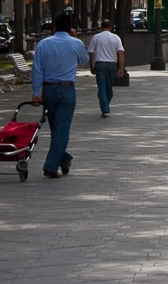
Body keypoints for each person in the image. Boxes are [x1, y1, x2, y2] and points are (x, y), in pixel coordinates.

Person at [32, 12, 89, 178]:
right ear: (70, 28)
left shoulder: (43, 44)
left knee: (56, 128)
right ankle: (51, 166)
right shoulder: (76, 43)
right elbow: (84, 61)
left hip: (48, 90)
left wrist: (36, 92)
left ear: (54, 26)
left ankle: (64, 159)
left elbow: (37, 69)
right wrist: (76, 38)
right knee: (62, 128)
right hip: (67, 89)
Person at [88, 19, 125, 118]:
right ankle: (105, 107)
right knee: (109, 88)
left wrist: (91, 66)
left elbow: (91, 53)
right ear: (111, 27)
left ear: (101, 27)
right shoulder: (116, 38)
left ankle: (104, 107)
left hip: (100, 65)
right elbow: (120, 53)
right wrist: (121, 68)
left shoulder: (96, 38)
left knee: (101, 87)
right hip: (112, 65)